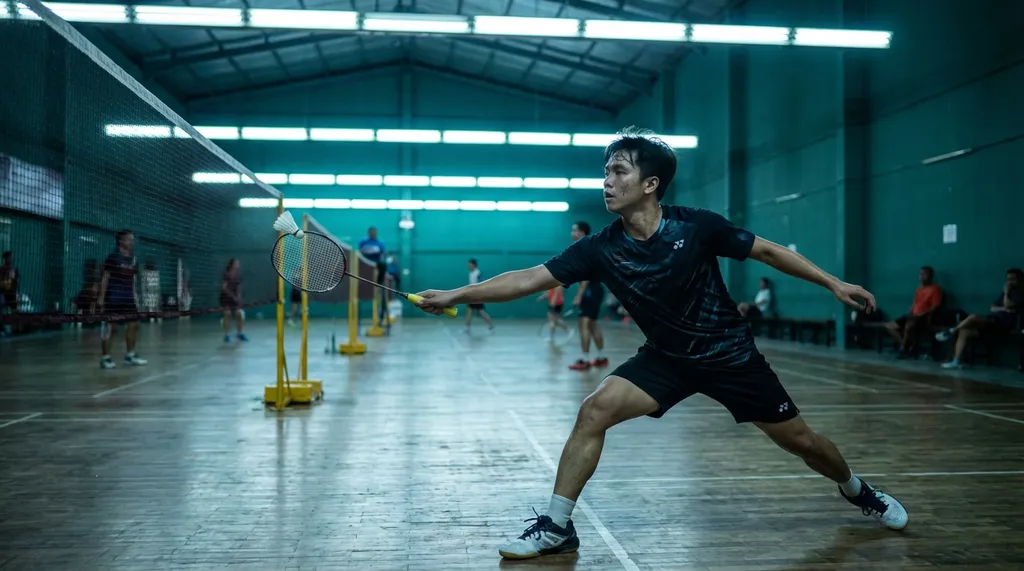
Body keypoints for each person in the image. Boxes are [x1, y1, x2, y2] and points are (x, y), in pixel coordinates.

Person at [413, 126, 907, 560]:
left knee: (803, 444)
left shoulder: (696, 226)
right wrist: (458, 292)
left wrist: (833, 283)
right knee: (594, 410)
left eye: (619, 171)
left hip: (729, 356)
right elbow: (529, 279)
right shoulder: (600, 247)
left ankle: (858, 490)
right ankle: (557, 528)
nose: (607, 181)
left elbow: (768, 251)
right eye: (605, 171)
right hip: (667, 359)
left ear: (650, 184)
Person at [935, 268, 1022, 369]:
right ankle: (956, 361)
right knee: (964, 331)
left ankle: (951, 331)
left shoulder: (1019, 294)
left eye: (1012, 280)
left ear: (1019, 280)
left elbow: (1009, 305)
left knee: (973, 317)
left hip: (1002, 325)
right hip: (991, 323)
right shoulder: (1003, 294)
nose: (1009, 283)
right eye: (1008, 279)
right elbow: (993, 308)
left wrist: (1006, 293)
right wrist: (1004, 308)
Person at [98, 230, 148, 369]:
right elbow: (105, 278)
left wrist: (136, 298)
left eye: (132, 239)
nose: (132, 242)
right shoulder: (112, 257)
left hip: (128, 298)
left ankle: (130, 356)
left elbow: (133, 279)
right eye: (129, 239)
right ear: (121, 241)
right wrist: (101, 298)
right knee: (110, 328)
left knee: (134, 325)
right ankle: (105, 358)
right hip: (113, 297)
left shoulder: (133, 258)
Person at [568, 221, 608, 370]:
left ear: (581, 232)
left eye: (574, 230)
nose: (572, 233)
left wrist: (579, 296)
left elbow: (585, 277)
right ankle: (601, 357)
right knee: (592, 324)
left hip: (590, 290)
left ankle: (584, 360)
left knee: (583, 325)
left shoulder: (582, 248)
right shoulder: (591, 246)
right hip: (597, 290)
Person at [883, 266, 942, 358]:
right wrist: (910, 312)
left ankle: (903, 350)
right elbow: (915, 305)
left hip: (924, 318)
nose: (922, 276)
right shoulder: (919, 289)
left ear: (931, 276)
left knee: (909, 326)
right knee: (889, 326)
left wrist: (922, 314)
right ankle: (905, 346)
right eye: (920, 274)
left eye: (924, 274)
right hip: (913, 315)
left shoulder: (935, 289)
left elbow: (935, 307)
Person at [220, 258, 248, 343]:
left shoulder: (238, 276)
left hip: (235, 299)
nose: (238, 266)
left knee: (239, 314)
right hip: (225, 299)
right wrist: (232, 296)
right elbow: (224, 288)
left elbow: (239, 288)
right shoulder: (226, 275)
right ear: (232, 265)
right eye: (236, 264)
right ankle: (227, 335)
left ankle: (240, 333)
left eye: (238, 264)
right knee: (227, 314)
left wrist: (238, 297)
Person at [465, 259, 494, 332]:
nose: (468, 265)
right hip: (472, 295)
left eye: (470, 264)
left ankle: (490, 324)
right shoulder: (471, 273)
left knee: (481, 312)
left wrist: (478, 293)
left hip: (477, 295)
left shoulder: (477, 273)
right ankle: (467, 327)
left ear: (473, 264)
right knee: (470, 310)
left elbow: (480, 284)